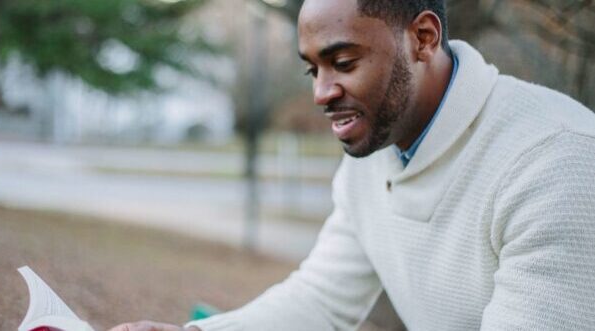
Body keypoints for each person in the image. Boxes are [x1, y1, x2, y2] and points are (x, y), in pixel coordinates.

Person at [109, 0, 595, 330]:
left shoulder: (555, 162)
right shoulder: (377, 146)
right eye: (313, 68)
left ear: (423, 38)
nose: (321, 93)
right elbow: (322, 300)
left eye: (343, 62)